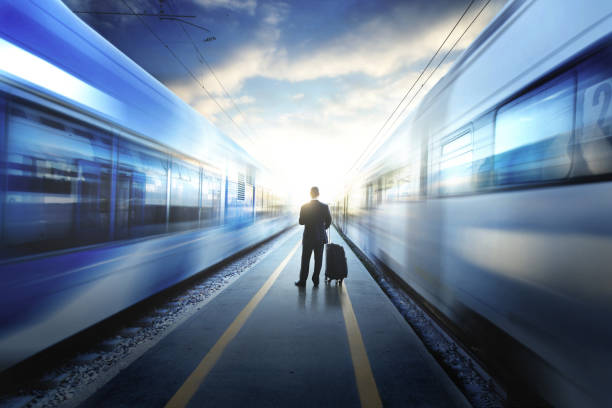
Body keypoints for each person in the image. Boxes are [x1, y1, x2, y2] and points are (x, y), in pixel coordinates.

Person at [295, 186, 332, 287]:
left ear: (310, 194)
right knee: (318, 259)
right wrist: (322, 228)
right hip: (320, 237)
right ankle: (316, 280)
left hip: (308, 237)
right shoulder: (325, 206)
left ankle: (302, 281)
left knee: (305, 260)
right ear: (318, 194)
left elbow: (301, 222)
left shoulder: (304, 206)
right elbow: (329, 221)